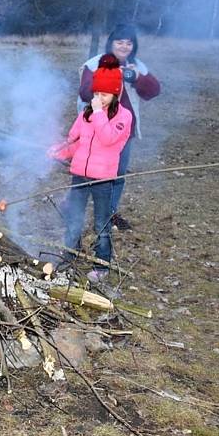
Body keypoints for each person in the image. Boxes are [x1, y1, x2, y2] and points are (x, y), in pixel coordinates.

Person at [52, 54, 132, 283]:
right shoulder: (86, 113)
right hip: (80, 175)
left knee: (101, 222)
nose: (99, 98)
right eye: (96, 93)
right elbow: (75, 140)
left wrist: (97, 113)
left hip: (103, 178)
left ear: (116, 93)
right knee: (74, 216)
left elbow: (107, 138)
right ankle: (69, 255)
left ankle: (102, 264)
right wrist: (60, 150)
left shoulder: (122, 117)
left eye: (104, 94)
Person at [78, 24, 160, 230]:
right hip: (96, 129)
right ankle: (74, 210)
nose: (124, 46)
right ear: (111, 43)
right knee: (88, 172)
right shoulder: (95, 64)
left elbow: (153, 91)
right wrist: (110, 76)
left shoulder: (137, 66)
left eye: (129, 43)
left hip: (124, 131)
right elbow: (85, 93)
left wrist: (138, 78)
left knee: (118, 174)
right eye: (120, 42)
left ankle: (109, 214)